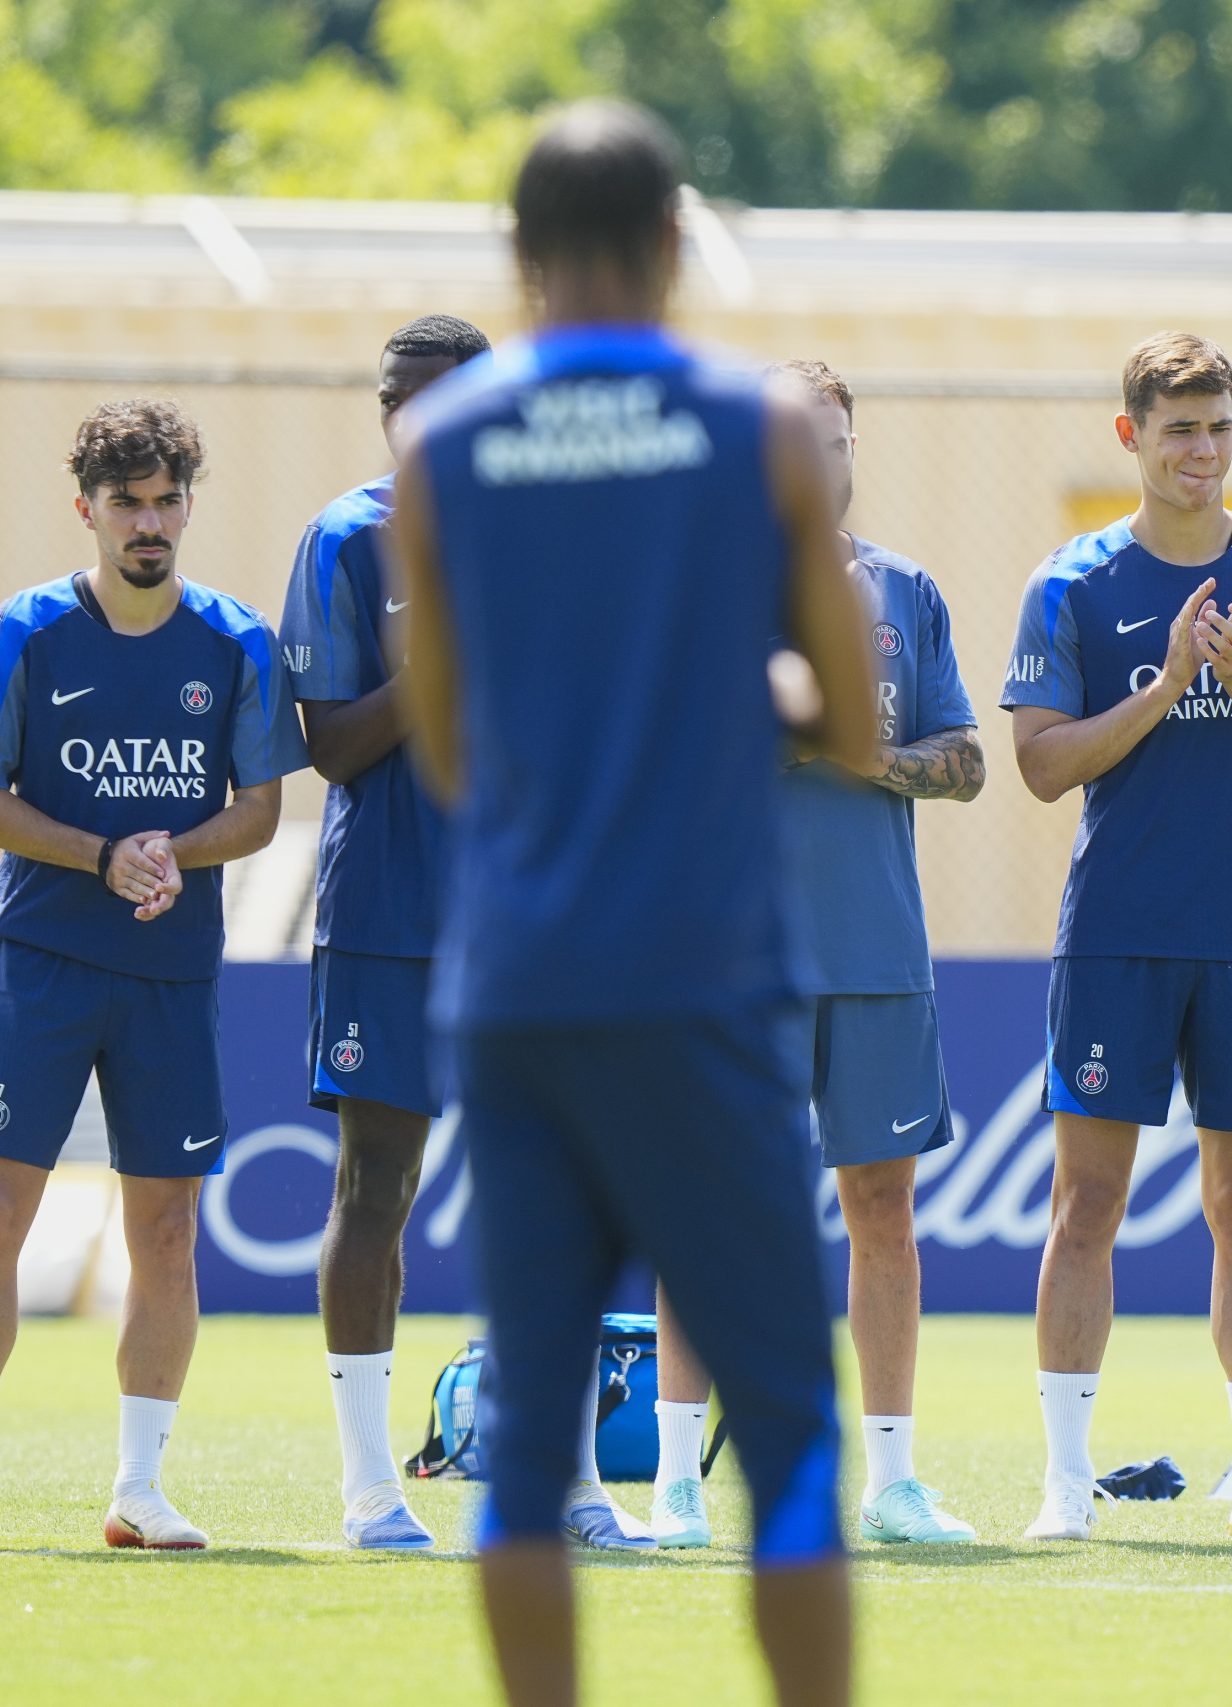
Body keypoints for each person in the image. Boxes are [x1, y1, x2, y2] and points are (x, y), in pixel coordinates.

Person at [386, 100, 870, 1707]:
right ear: (676, 243)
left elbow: (446, 744)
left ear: (517, 260)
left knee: (523, 1445)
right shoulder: (763, 430)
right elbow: (855, 724)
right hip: (704, 979)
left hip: (519, 985)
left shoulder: (440, 450)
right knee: (792, 1440)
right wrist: (766, 685)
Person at [0, 400, 308, 1550]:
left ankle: (139, 1488)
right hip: (41, 962)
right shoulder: (26, 632)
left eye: (168, 498)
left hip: (172, 974)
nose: (150, 521)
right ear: (85, 509)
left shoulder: (234, 642)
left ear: (189, 505)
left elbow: (262, 811)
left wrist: (169, 855)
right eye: (126, 501)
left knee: (167, 1234)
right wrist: (101, 853)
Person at [1003, 331, 1232, 1544]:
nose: (1200, 451)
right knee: (1085, 1204)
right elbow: (1042, 766)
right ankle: (1064, 1480)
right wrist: (1164, 688)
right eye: (1177, 430)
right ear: (1131, 438)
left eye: (1216, 428)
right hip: (1116, 933)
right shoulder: (1074, 582)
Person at [647, 358, 985, 1550]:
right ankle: (678, 1486)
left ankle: (889, 1484)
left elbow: (965, 759)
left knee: (883, 1213)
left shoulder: (904, 590)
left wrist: (858, 756)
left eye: (832, 439)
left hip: (876, 948)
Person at [279, 313, 493, 1553]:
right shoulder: (345, 537)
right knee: (375, 1190)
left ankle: (564, 1483)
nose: (406, 418)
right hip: (391, 909)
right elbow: (333, 746)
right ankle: (373, 1492)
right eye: (390, 399)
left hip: (529, 912)